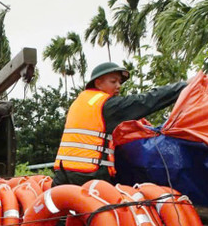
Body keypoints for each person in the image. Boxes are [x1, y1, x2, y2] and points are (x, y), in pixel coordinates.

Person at [53, 62, 187, 186]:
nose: (118, 86)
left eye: (119, 82)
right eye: (113, 81)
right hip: (88, 174)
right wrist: (183, 86)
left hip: (62, 172)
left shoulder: (80, 102)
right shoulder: (107, 105)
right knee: (107, 210)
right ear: (98, 83)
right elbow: (145, 101)